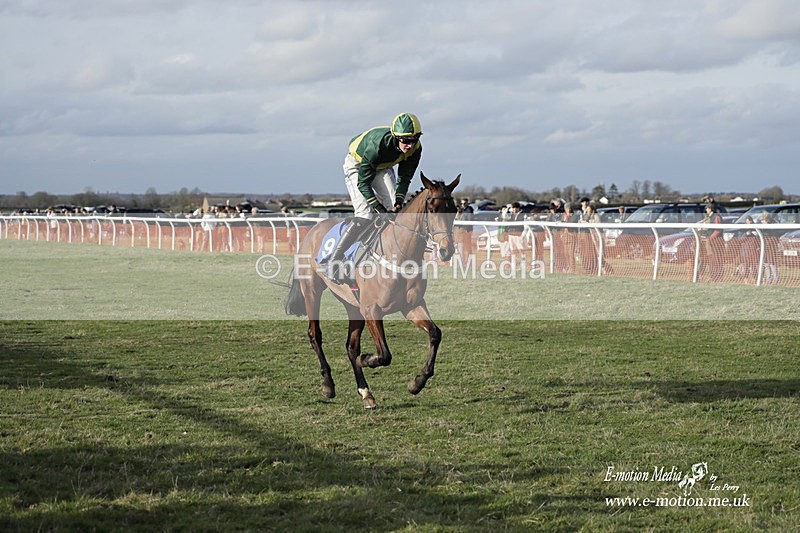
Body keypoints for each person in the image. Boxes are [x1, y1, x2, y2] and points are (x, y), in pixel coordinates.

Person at [327, 113, 423, 282]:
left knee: (395, 208)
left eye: (414, 140)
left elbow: (405, 178)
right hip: (358, 166)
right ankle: (334, 260)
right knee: (365, 214)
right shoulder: (377, 145)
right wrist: (378, 208)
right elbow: (363, 183)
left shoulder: (416, 149)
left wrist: (399, 202)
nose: (409, 145)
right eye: (405, 140)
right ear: (395, 137)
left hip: (382, 166)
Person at [698, 203, 724, 281]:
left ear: (711, 209)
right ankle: (704, 276)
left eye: (707, 208)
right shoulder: (707, 217)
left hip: (715, 242)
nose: (706, 210)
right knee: (706, 259)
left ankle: (715, 277)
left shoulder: (716, 217)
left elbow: (718, 230)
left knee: (715, 260)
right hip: (707, 241)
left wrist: (710, 238)